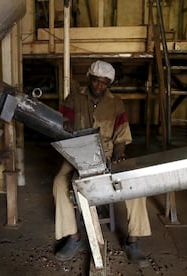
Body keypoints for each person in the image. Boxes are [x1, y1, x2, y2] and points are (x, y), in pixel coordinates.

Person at [52, 60, 151, 267]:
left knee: (136, 184)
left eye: (104, 83)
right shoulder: (74, 98)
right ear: (89, 78)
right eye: (96, 81)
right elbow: (62, 122)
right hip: (76, 153)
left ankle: (133, 241)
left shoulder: (116, 103)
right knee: (60, 184)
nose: (99, 86)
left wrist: (118, 156)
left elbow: (122, 136)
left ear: (109, 84)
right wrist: (65, 124)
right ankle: (73, 236)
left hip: (106, 153)